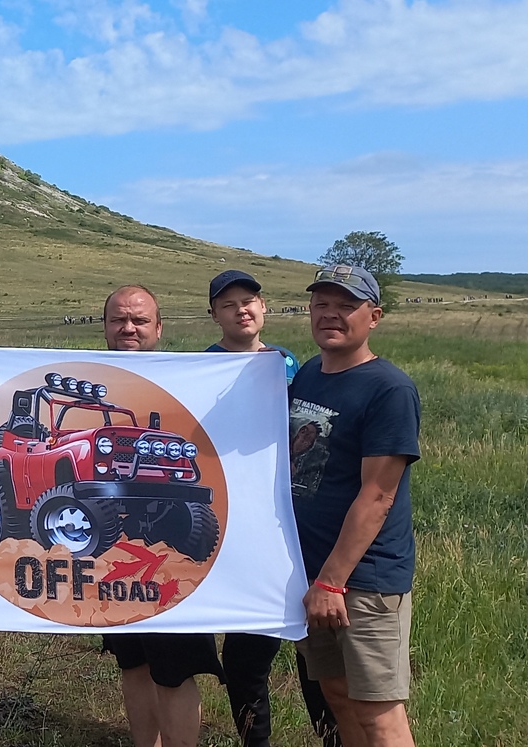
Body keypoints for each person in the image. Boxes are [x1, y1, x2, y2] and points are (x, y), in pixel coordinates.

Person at [202, 270, 340, 747]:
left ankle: (332, 733)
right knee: (246, 652)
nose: (241, 309)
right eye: (229, 304)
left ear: (264, 309)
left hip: (294, 522)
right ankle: (253, 739)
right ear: (214, 315)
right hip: (240, 523)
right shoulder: (199, 369)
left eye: (250, 301)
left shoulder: (289, 364)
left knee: (314, 648)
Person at [289, 265, 420, 747]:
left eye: (346, 306)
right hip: (311, 573)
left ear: (374, 316)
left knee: (379, 713)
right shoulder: (307, 375)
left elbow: (378, 495)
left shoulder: (389, 389)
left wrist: (332, 581)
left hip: (359, 580)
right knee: (338, 698)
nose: (331, 315)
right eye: (322, 304)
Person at [100, 285, 220, 747]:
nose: (129, 328)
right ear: (105, 325)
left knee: (176, 665)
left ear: (158, 327)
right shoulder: (94, 376)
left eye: (139, 320)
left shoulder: (192, 380)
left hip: (171, 542)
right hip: (115, 558)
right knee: (132, 661)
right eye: (119, 319)